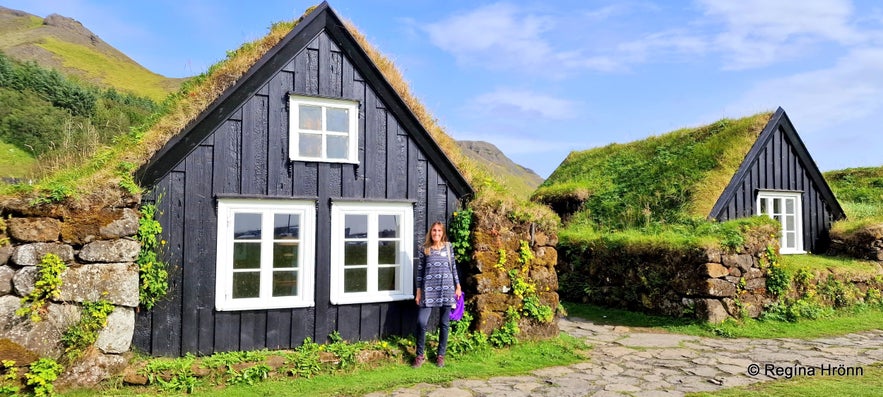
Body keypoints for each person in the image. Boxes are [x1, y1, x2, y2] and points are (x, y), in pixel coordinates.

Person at [413, 221, 462, 368]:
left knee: (444, 323)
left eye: (439, 231)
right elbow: (420, 271)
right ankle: (420, 355)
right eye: (434, 230)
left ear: (443, 233)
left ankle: (440, 355)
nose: (436, 233)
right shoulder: (425, 249)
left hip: (446, 289)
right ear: (430, 232)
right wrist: (418, 291)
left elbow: (453, 268)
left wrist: (458, 286)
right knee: (421, 322)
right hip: (428, 290)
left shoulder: (448, 247)